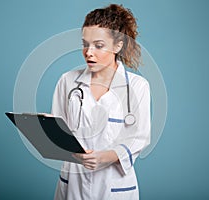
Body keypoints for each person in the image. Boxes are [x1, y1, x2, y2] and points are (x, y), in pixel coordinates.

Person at [51, 4, 151, 200]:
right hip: (73, 185)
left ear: (118, 45)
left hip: (114, 187)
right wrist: (45, 130)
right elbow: (59, 132)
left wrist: (104, 157)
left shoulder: (138, 87)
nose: (89, 52)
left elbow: (139, 138)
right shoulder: (68, 81)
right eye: (85, 44)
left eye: (98, 45)